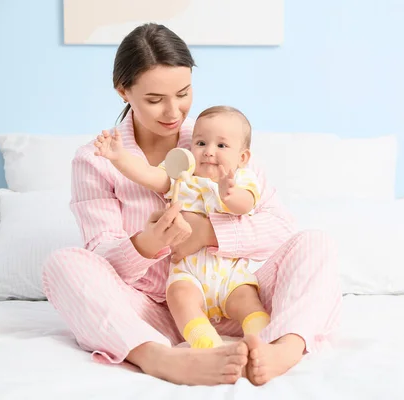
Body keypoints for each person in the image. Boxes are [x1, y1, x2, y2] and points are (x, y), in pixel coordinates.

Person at [42, 22, 341, 386]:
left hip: (236, 297)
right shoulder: (96, 160)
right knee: (62, 264)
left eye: (183, 93)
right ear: (123, 91)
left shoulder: (215, 137)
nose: (174, 112)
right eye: (155, 100)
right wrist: (147, 244)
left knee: (315, 243)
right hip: (152, 310)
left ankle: (283, 349)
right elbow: (99, 255)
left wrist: (207, 231)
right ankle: (161, 359)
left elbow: (279, 227)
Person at [93, 105, 271, 349]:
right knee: (178, 297)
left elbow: (245, 204)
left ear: (242, 157)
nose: (209, 152)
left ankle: (260, 342)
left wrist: (228, 194)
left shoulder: (241, 179)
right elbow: (149, 176)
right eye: (200, 143)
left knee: (248, 300)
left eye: (221, 146)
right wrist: (119, 158)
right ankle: (207, 346)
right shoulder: (182, 174)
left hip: (230, 274)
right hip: (187, 272)